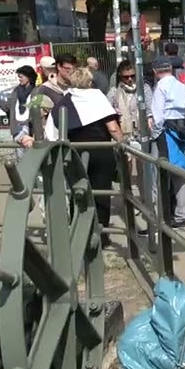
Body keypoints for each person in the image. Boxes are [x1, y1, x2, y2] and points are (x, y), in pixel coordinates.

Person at [48, 65, 125, 242]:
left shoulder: (65, 102)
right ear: (90, 82)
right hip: (100, 151)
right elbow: (112, 127)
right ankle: (102, 236)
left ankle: (80, 234)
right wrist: (123, 146)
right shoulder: (97, 97)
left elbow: (54, 128)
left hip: (75, 152)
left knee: (79, 193)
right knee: (101, 193)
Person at [148, 58, 185, 229]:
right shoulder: (182, 86)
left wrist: (153, 134)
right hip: (181, 130)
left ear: (155, 72)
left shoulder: (161, 87)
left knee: (158, 174)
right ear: (171, 69)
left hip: (166, 133)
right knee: (179, 174)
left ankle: (160, 217)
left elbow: (158, 116)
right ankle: (182, 215)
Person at [107, 60, 152, 184]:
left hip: (141, 134)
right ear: (120, 77)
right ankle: (127, 198)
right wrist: (114, 112)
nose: (130, 79)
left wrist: (149, 119)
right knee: (125, 169)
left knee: (144, 169)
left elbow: (150, 108)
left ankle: (145, 199)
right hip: (123, 134)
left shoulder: (144, 89)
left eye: (133, 76)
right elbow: (106, 111)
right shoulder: (114, 91)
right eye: (126, 77)